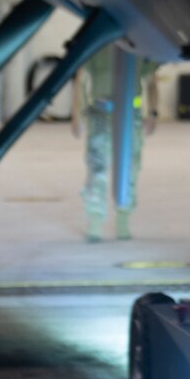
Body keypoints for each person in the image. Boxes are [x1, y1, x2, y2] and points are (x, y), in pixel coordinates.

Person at [73, 44, 158, 242]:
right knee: (97, 169)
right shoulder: (97, 45)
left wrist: (153, 112)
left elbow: (151, 81)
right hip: (101, 115)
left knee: (130, 169)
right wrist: (77, 115)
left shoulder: (138, 44)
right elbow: (80, 80)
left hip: (130, 115)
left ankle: (123, 220)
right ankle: (95, 222)